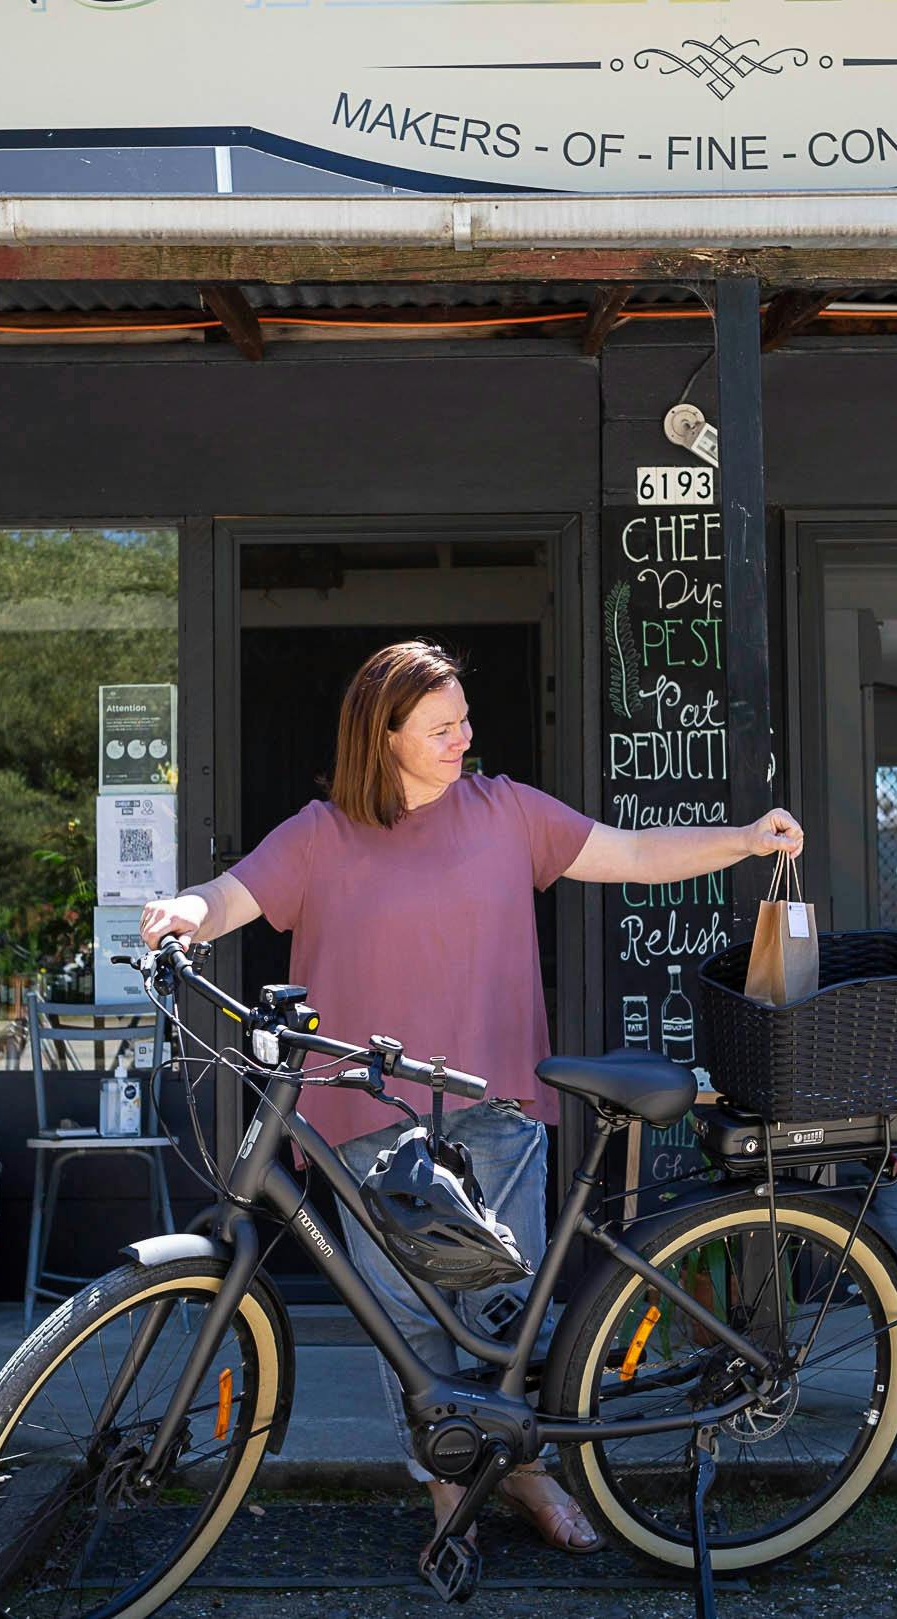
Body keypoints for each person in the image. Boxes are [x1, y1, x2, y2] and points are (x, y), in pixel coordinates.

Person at [140, 640, 802, 1555]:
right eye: (441, 727)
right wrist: (187, 912)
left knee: (506, 1314)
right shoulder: (321, 833)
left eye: (464, 723)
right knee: (410, 1326)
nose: (463, 740)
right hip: (367, 1119)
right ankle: (448, 1489)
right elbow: (233, 893)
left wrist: (742, 838)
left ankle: (527, 1469)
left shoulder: (507, 814)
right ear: (386, 735)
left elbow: (634, 853)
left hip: (495, 1110)